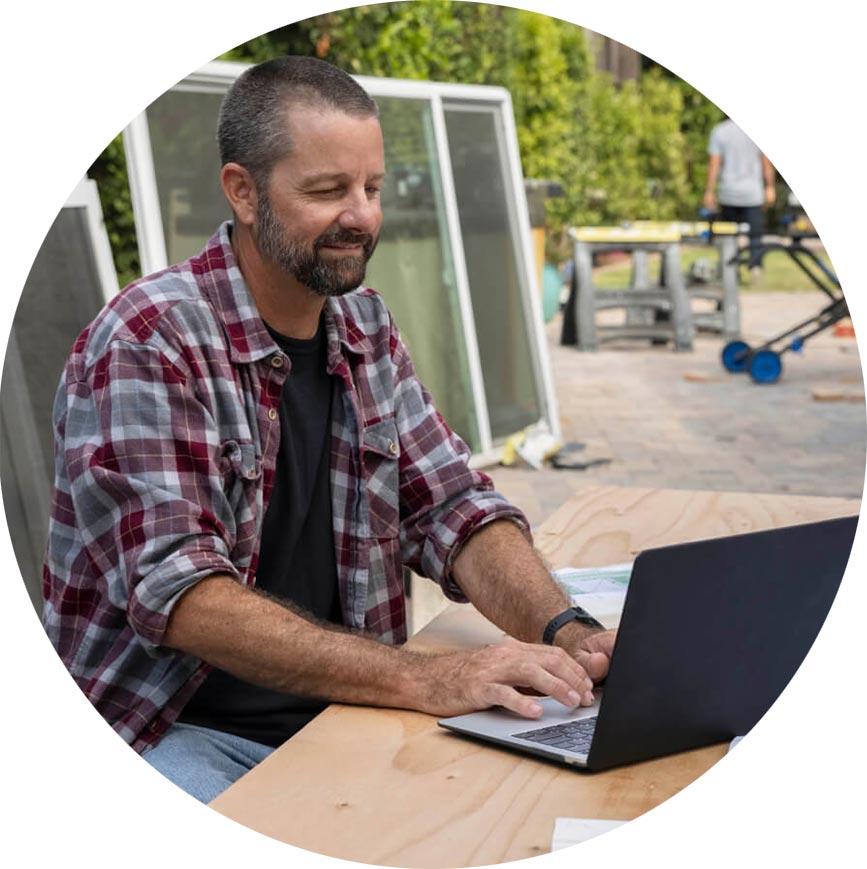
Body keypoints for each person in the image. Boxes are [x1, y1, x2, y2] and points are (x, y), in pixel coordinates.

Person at [42, 56, 615, 804]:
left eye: (371, 188)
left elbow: (453, 508)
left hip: (349, 709)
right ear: (243, 192)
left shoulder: (364, 325)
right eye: (327, 190)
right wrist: (422, 676)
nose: (362, 216)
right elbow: (181, 592)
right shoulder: (149, 340)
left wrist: (567, 630)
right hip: (172, 733)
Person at [703, 116, 776, 284]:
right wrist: (770, 187)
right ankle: (755, 268)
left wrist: (709, 191)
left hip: (728, 192)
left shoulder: (719, 131)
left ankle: (731, 271)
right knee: (755, 236)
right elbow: (766, 163)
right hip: (752, 193)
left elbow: (714, 164)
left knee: (730, 238)